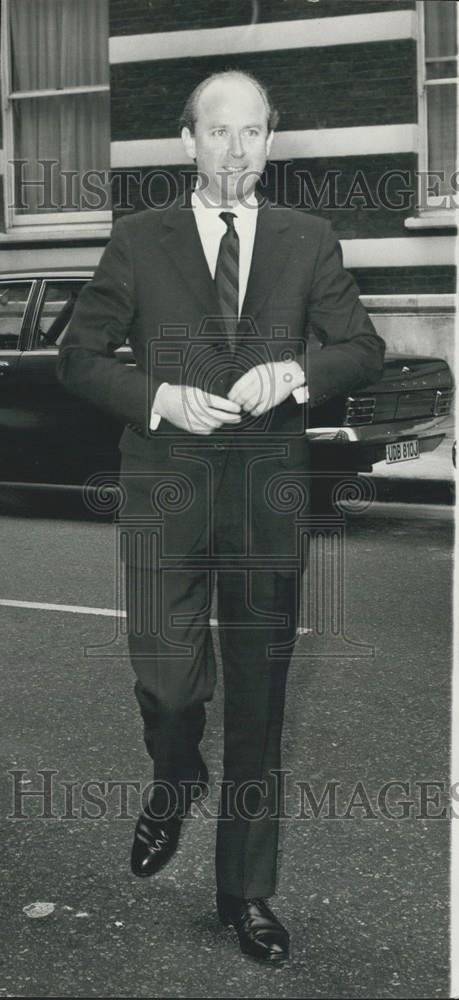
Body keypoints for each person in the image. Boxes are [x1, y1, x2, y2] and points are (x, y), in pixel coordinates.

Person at [57, 69, 385, 964]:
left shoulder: (309, 239)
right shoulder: (138, 240)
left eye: (251, 134)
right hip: (165, 490)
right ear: (186, 141)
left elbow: (362, 345)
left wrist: (298, 374)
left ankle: (244, 894)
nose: (235, 152)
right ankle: (174, 775)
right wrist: (158, 395)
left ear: (270, 139)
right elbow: (77, 357)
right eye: (217, 132)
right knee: (168, 687)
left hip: (266, 500)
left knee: (259, 707)